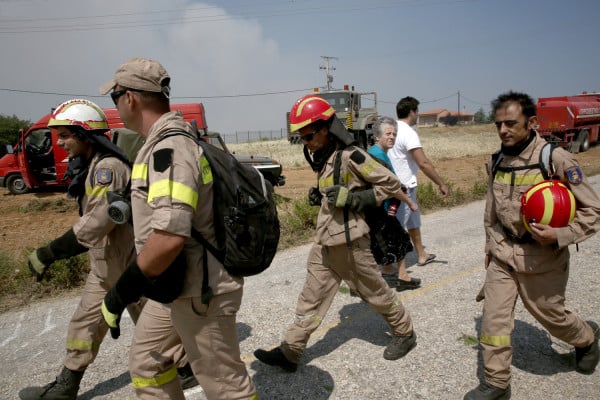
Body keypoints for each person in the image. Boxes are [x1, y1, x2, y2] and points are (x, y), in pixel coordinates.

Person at [19, 99, 198, 400]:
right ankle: (67, 384)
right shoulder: (89, 167)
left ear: (85, 134)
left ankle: (185, 368)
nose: (60, 143)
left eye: (65, 135)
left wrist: (48, 253)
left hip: (129, 267)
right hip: (103, 268)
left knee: (154, 332)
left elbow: (97, 223)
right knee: (84, 325)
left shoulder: (108, 168)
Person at [99, 57, 257, 400]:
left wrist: (120, 291)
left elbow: (170, 236)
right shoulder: (159, 145)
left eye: (114, 97)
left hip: (201, 289)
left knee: (226, 385)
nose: (115, 105)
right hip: (174, 285)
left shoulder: (169, 148)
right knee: (147, 363)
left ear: (130, 98)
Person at [253, 95, 417, 374]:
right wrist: (322, 195)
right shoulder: (326, 159)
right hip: (326, 241)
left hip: (350, 242)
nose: (305, 142)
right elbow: (337, 193)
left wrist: (354, 200)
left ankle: (405, 332)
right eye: (301, 138)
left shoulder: (352, 156)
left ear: (325, 130)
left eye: (308, 136)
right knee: (311, 297)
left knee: (374, 292)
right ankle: (291, 351)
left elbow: (391, 184)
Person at [464, 91, 600, 400]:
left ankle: (587, 338)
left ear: (532, 122)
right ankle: (497, 383)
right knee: (493, 318)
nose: (503, 131)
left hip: (543, 257)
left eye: (511, 123)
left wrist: (561, 235)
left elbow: (594, 211)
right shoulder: (497, 160)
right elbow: (491, 211)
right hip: (503, 255)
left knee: (551, 316)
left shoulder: (555, 159)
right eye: (498, 124)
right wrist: (491, 248)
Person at [388, 96, 448, 266]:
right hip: (403, 187)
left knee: (413, 222)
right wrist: (440, 183)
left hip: (398, 184)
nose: (418, 116)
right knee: (397, 228)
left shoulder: (391, 129)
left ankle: (421, 254)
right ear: (412, 112)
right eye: (417, 112)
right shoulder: (408, 133)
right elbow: (423, 163)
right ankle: (388, 266)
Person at [367, 116, 421, 291]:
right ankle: (402, 276)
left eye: (394, 134)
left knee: (386, 241)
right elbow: (391, 186)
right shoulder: (377, 156)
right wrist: (409, 201)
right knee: (401, 239)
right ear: (377, 136)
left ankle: (388, 270)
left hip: (378, 207)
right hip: (380, 208)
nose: (392, 137)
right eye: (388, 134)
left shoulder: (379, 153)